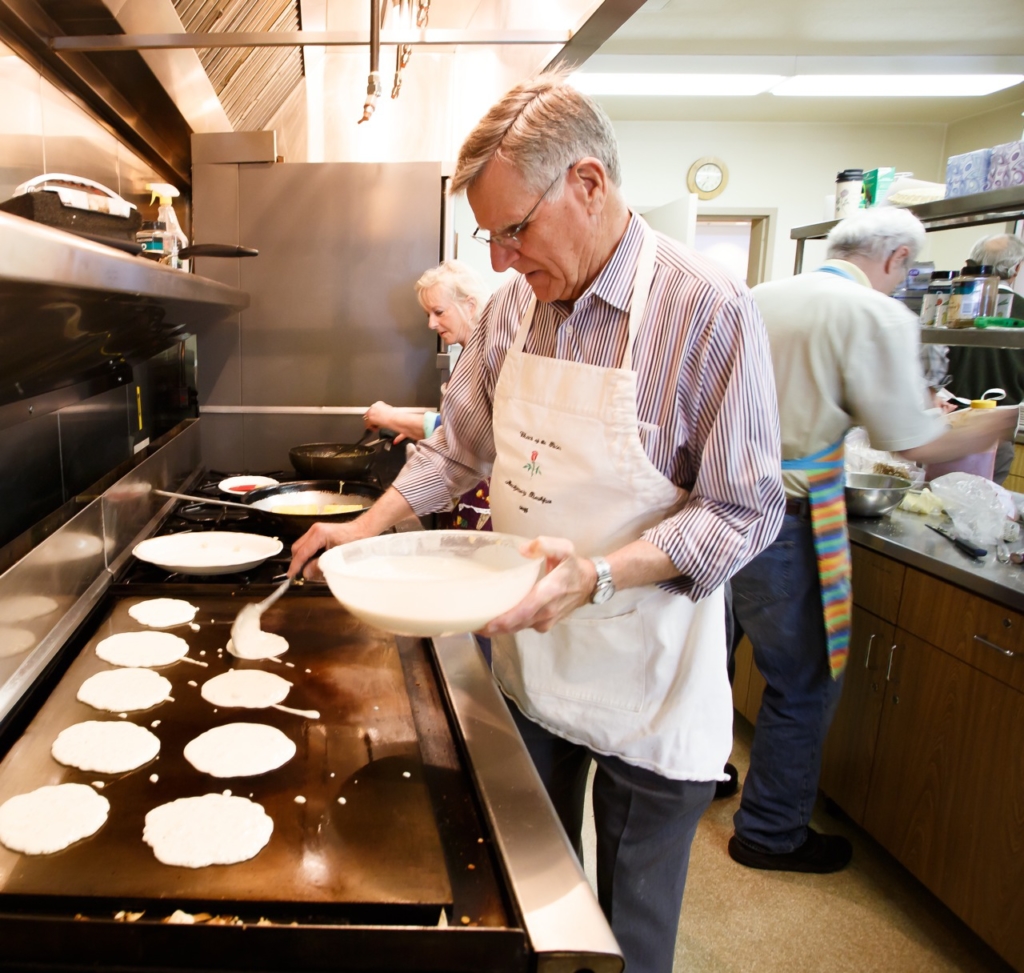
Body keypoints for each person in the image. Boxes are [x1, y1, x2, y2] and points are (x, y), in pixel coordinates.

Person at [290, 71, 784, 973]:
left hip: (649, 674)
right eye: (492, 237)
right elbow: (460, 449)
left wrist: (597, 575)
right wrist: (371, 524)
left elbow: (745, 510)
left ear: (588, 184)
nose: (505, 260)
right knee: (535, 907)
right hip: (530, 659)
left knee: (623, 943)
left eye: (515, 229)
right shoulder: (514, 310)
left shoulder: (708, 309)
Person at [729, 208, 1024, 875]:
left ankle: (703, 773)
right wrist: (1000, 421)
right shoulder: (877, 315)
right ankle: (770, 832)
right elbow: (911, 441)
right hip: (787, 520)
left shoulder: (762, 295)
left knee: (715, 654)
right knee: (804, 680)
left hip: (726, 507)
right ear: (896, 259)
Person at [363, 260, 493, 530]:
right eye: (428, 315)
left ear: (469, 305)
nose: (432, 323)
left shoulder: (487, 356)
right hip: (464, 498)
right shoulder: (468, 353)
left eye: (439, 312)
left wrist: (392, 416)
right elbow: (455, 422)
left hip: (481, 501)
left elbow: (460, 435)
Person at [944, 233, 1024, 482]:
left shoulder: (946, 306)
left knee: (930, 504)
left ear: (971, 263)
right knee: (980, 509)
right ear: (1017, 268)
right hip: (996, 432)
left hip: (946, 424)